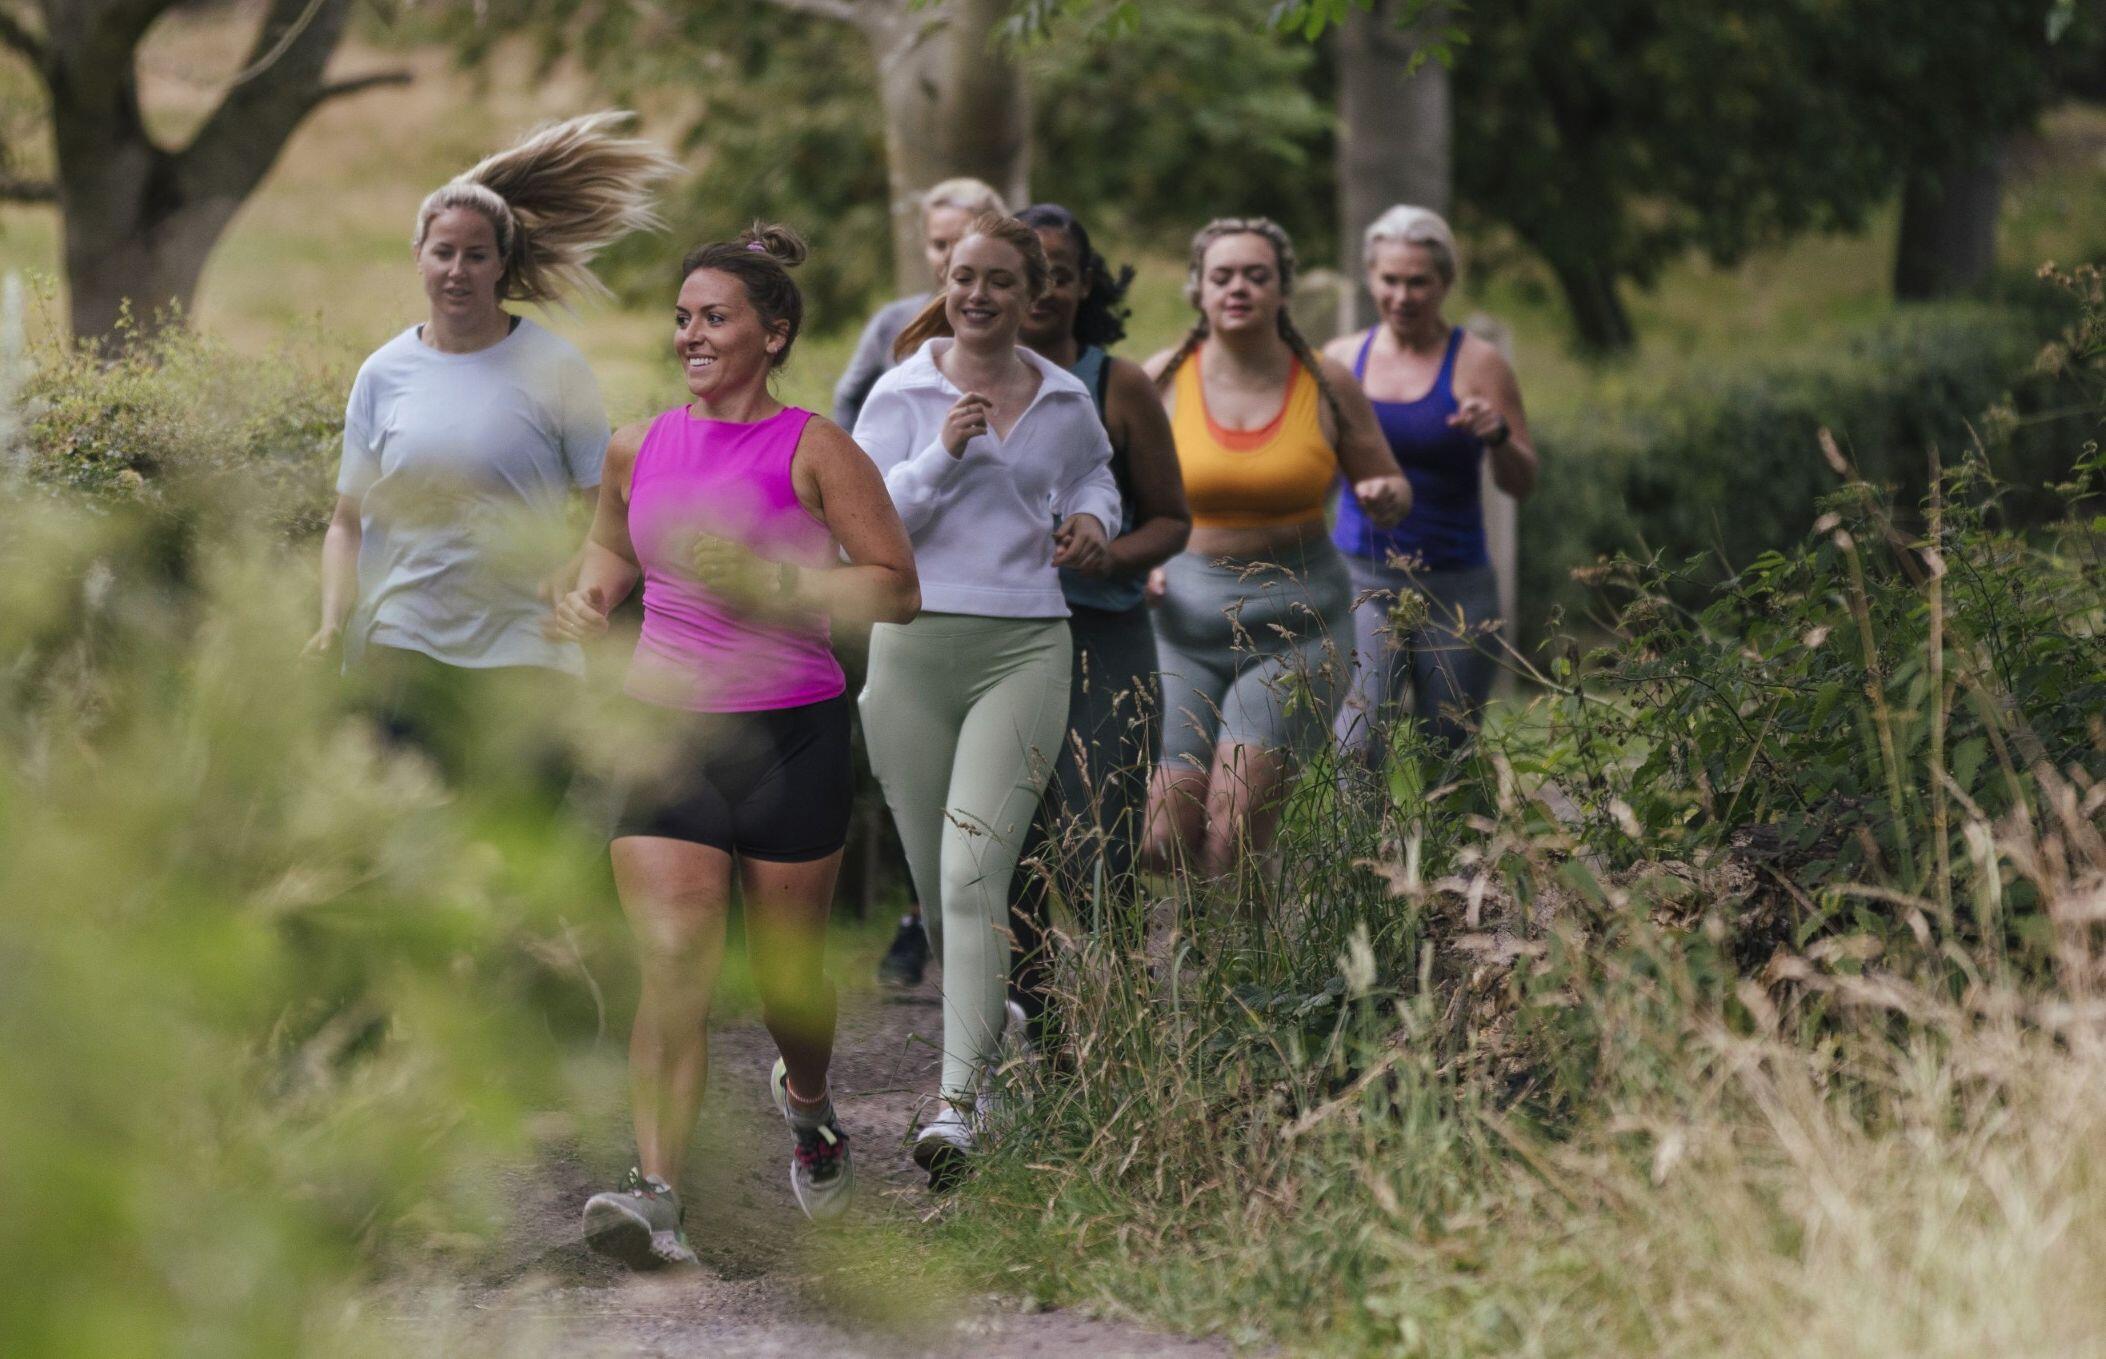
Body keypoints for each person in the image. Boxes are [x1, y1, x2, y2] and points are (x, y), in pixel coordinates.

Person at [549, 226, 920, 1266]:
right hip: (666, 734)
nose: (691, 335)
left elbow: (899, 587)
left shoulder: (814, 448)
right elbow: (611, 550)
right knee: (672, 966)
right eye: (682, 318)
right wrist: (586, 599)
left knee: (786, 983)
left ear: (775, 332)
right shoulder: (638, 444)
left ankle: (809, 1104)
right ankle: (656, 1191)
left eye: (715, 317)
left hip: (791, 733)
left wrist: (782, 584)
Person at [852, 213, 1120, 1181]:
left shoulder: (1061, 397)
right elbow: (866, 519)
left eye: (1000, 282)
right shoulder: (902, 388)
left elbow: (1095, 475)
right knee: (939, 888)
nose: (978, 296)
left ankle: (956, 1105)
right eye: (964, 277)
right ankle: (992, 1017)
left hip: (1026, 644)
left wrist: (1092, 522)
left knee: (975, 880)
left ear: (1034, 293)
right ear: (947, 283)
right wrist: (943, 454)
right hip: (913, 644)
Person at [309, 112, 677, 784]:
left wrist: (583, 592)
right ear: (417, 255)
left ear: (503, 264)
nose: (457, 270)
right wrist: (333, 619)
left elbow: (611, 515)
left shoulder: (554, 369)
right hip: (401, 645)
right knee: (400, 851)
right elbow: (346, 522)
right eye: (443, 252)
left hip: (523, 649)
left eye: (476, 255)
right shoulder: (381, 373)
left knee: (504, 857)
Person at [1141, 217, 1410, 893]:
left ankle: (1244, 978)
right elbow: (1108, 492)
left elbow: (1392, 483)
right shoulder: (1158, 380)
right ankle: (1198, 954)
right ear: (1197, 288)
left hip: (1297, 624)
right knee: (1163, 833)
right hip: (1178, 622)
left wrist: (1384, 493)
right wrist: (1130, 553)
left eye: (1256, 275)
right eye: (1222, 275)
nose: (1239, 288)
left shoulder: (1326, 381)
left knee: (1234, 825)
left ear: (1282, 291)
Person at [1005, 203, 1189, 1048]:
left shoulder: (1118, 383)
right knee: (1005, 843)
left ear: (1085, 285)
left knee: (1097, 844)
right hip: (991, 636)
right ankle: (1031, 1032)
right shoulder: (949, 377)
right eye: (1026, 269)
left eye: (1061, 271)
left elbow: (1172, 520)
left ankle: (1122, 1029)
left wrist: (1107, 552)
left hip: (1100, 636)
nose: (1043, 287)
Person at [835, 176, 1011, 992]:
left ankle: (984, 937)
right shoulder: (893, 331)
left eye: (963, 245)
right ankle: (920, 916)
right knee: (916, 765)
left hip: (1003, 586)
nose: (950, 261)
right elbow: (847, 428)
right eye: (939, 247)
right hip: (907, 562)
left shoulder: (1021, 346)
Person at [1327, 206, 1538, 772]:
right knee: (1356, 745)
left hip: (1455, 585)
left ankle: (1459, 861)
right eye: (1389, 280)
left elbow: (1522, 481)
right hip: (1361, 578)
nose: (1402, 295)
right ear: (1371, 278)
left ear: (1444, 282)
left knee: (1447, 750)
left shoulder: (1479, 364)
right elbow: (1313, 466)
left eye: (1418, 281)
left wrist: (1495, 435)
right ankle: (1356, 863)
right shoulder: (1344, 361)